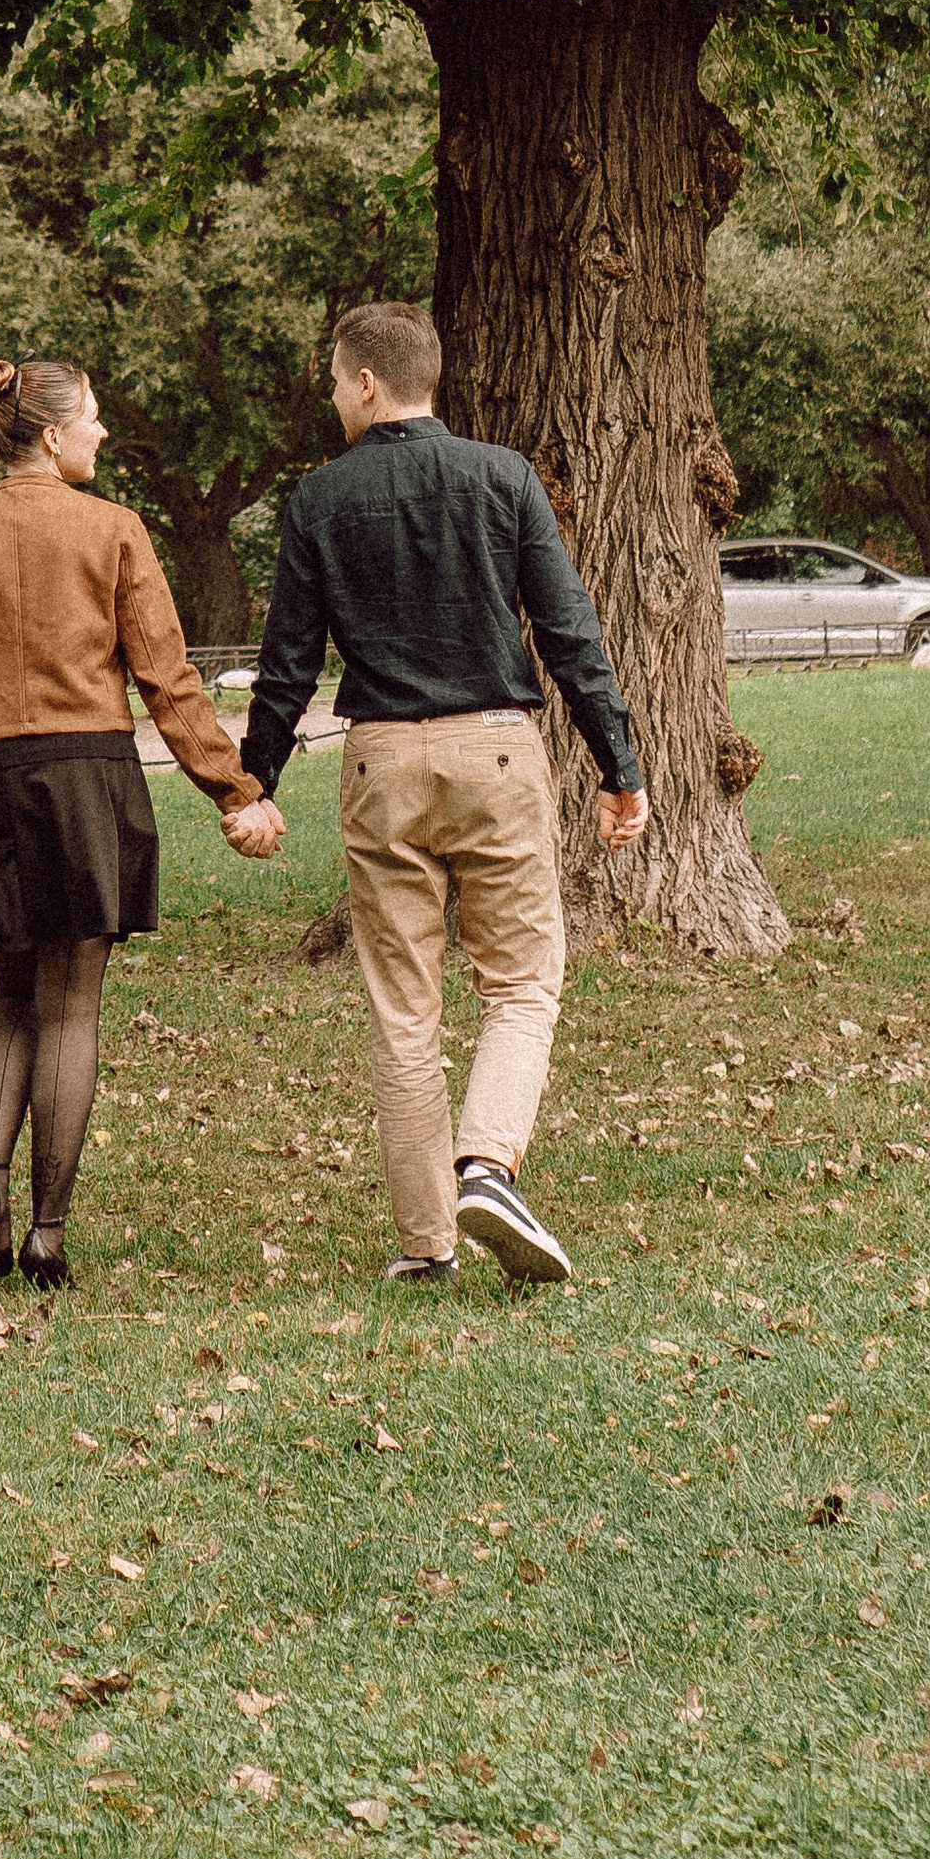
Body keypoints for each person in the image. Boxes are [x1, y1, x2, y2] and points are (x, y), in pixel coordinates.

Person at [0, 357, 283, 1287]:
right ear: (50, 434)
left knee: (12, 996)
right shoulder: (114, 532)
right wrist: (234, 790)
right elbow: (170, 681)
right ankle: (45, 1231)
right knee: (72, 1004)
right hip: (85, 777)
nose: (103, 433)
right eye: (92, 417)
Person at [239, 299, 648, 1289]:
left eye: (336, 379)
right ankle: (488, 1166)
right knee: (520, 983)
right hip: (499, 755)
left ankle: (429, 1242)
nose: (332, 396)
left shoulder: (318, 501)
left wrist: (253, 782)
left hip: (382, 763)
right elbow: (570, 637)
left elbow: (287, 662)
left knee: (402, 1008)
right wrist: (619, 768)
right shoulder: (501, 478)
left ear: (369, 383)